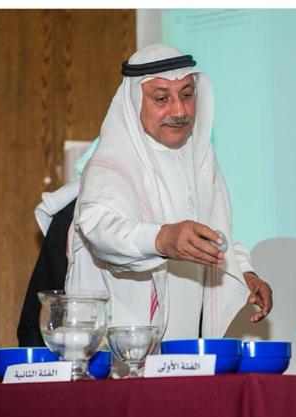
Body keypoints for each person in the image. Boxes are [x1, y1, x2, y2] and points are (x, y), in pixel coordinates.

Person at [65, 43, 272, 340]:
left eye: (187, 95)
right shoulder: (112, 162)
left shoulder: (199, 158)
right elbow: (99, 229)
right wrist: (162, 239)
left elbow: (216, 231)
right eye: (162, 98)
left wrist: (245, 272)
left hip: (183, 341)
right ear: (135, 101)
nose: (179, 110)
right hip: (122, 340)